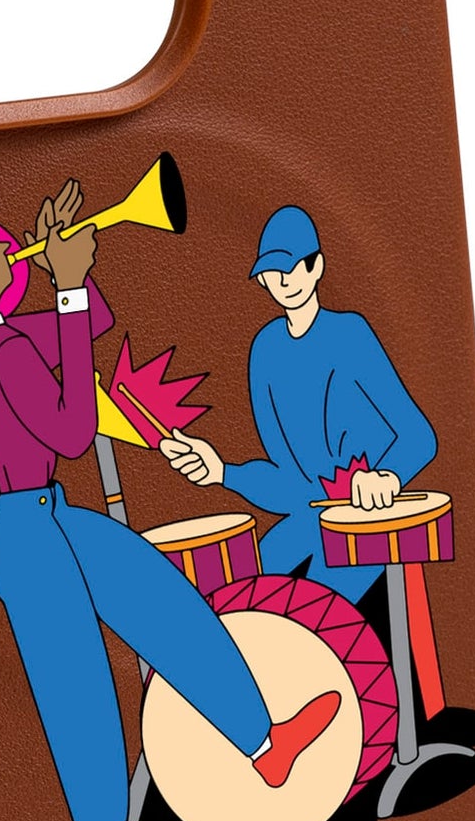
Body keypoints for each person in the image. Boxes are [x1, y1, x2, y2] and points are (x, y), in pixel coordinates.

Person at [0, 181, 341, 821]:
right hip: (29, 531)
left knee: (164, 602)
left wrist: (67, 280)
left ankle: (263, 742)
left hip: (49, 515)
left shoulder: (4, 339)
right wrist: (64, 289)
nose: (3, 245)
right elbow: (72, 431)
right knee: (76, 680)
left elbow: (91, 323)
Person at [159, 205, 437, 604]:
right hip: (307, 520)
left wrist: (387, 478)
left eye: (296, 267)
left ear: (317, 267)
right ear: (263, 280)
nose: (286, 280)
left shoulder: (350, 334)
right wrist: (222, 472)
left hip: (365, 522)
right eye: (274, 272)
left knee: (315, 615)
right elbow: (289, 484)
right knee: (235, 603)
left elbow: (419, 437)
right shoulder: (265, 351)